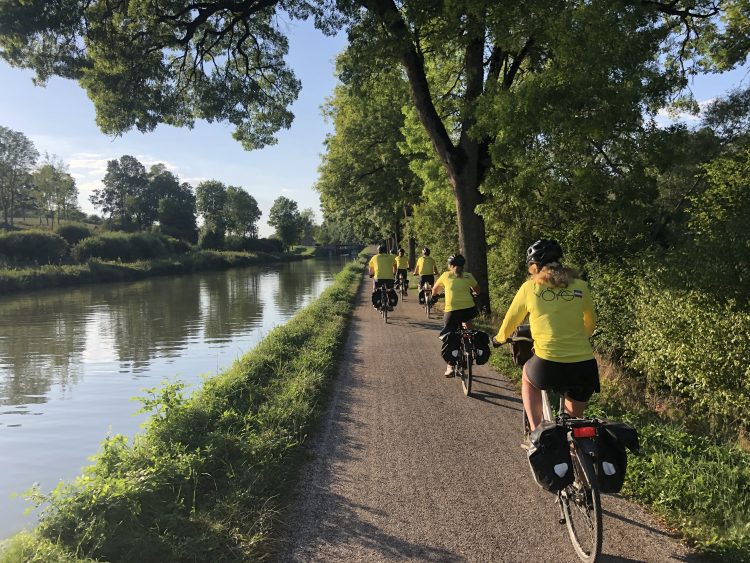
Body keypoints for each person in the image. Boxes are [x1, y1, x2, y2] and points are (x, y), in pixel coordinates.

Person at [493, 239, 598, 432]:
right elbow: (591, 323)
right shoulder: (581, 286)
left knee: (527, 376)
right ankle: (577, 452)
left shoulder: (530, 288)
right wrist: (578, 335)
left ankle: (537, 435)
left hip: (548, 363)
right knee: (574, 423)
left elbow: (511, 321)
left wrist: (499, 339)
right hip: (584, 366)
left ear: (535, 266)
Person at [432, 254, 480, 376]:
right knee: (468, 325)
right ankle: (471, 345)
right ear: (463, 266)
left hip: (452, 312)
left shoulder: (445, 275)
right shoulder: (469, 276)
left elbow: (434, 290)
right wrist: (474, 293)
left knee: (451, 336)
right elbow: (477, 290)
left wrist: (434, 296)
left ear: (450, 266)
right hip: (469, 309)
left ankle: (451, 366)